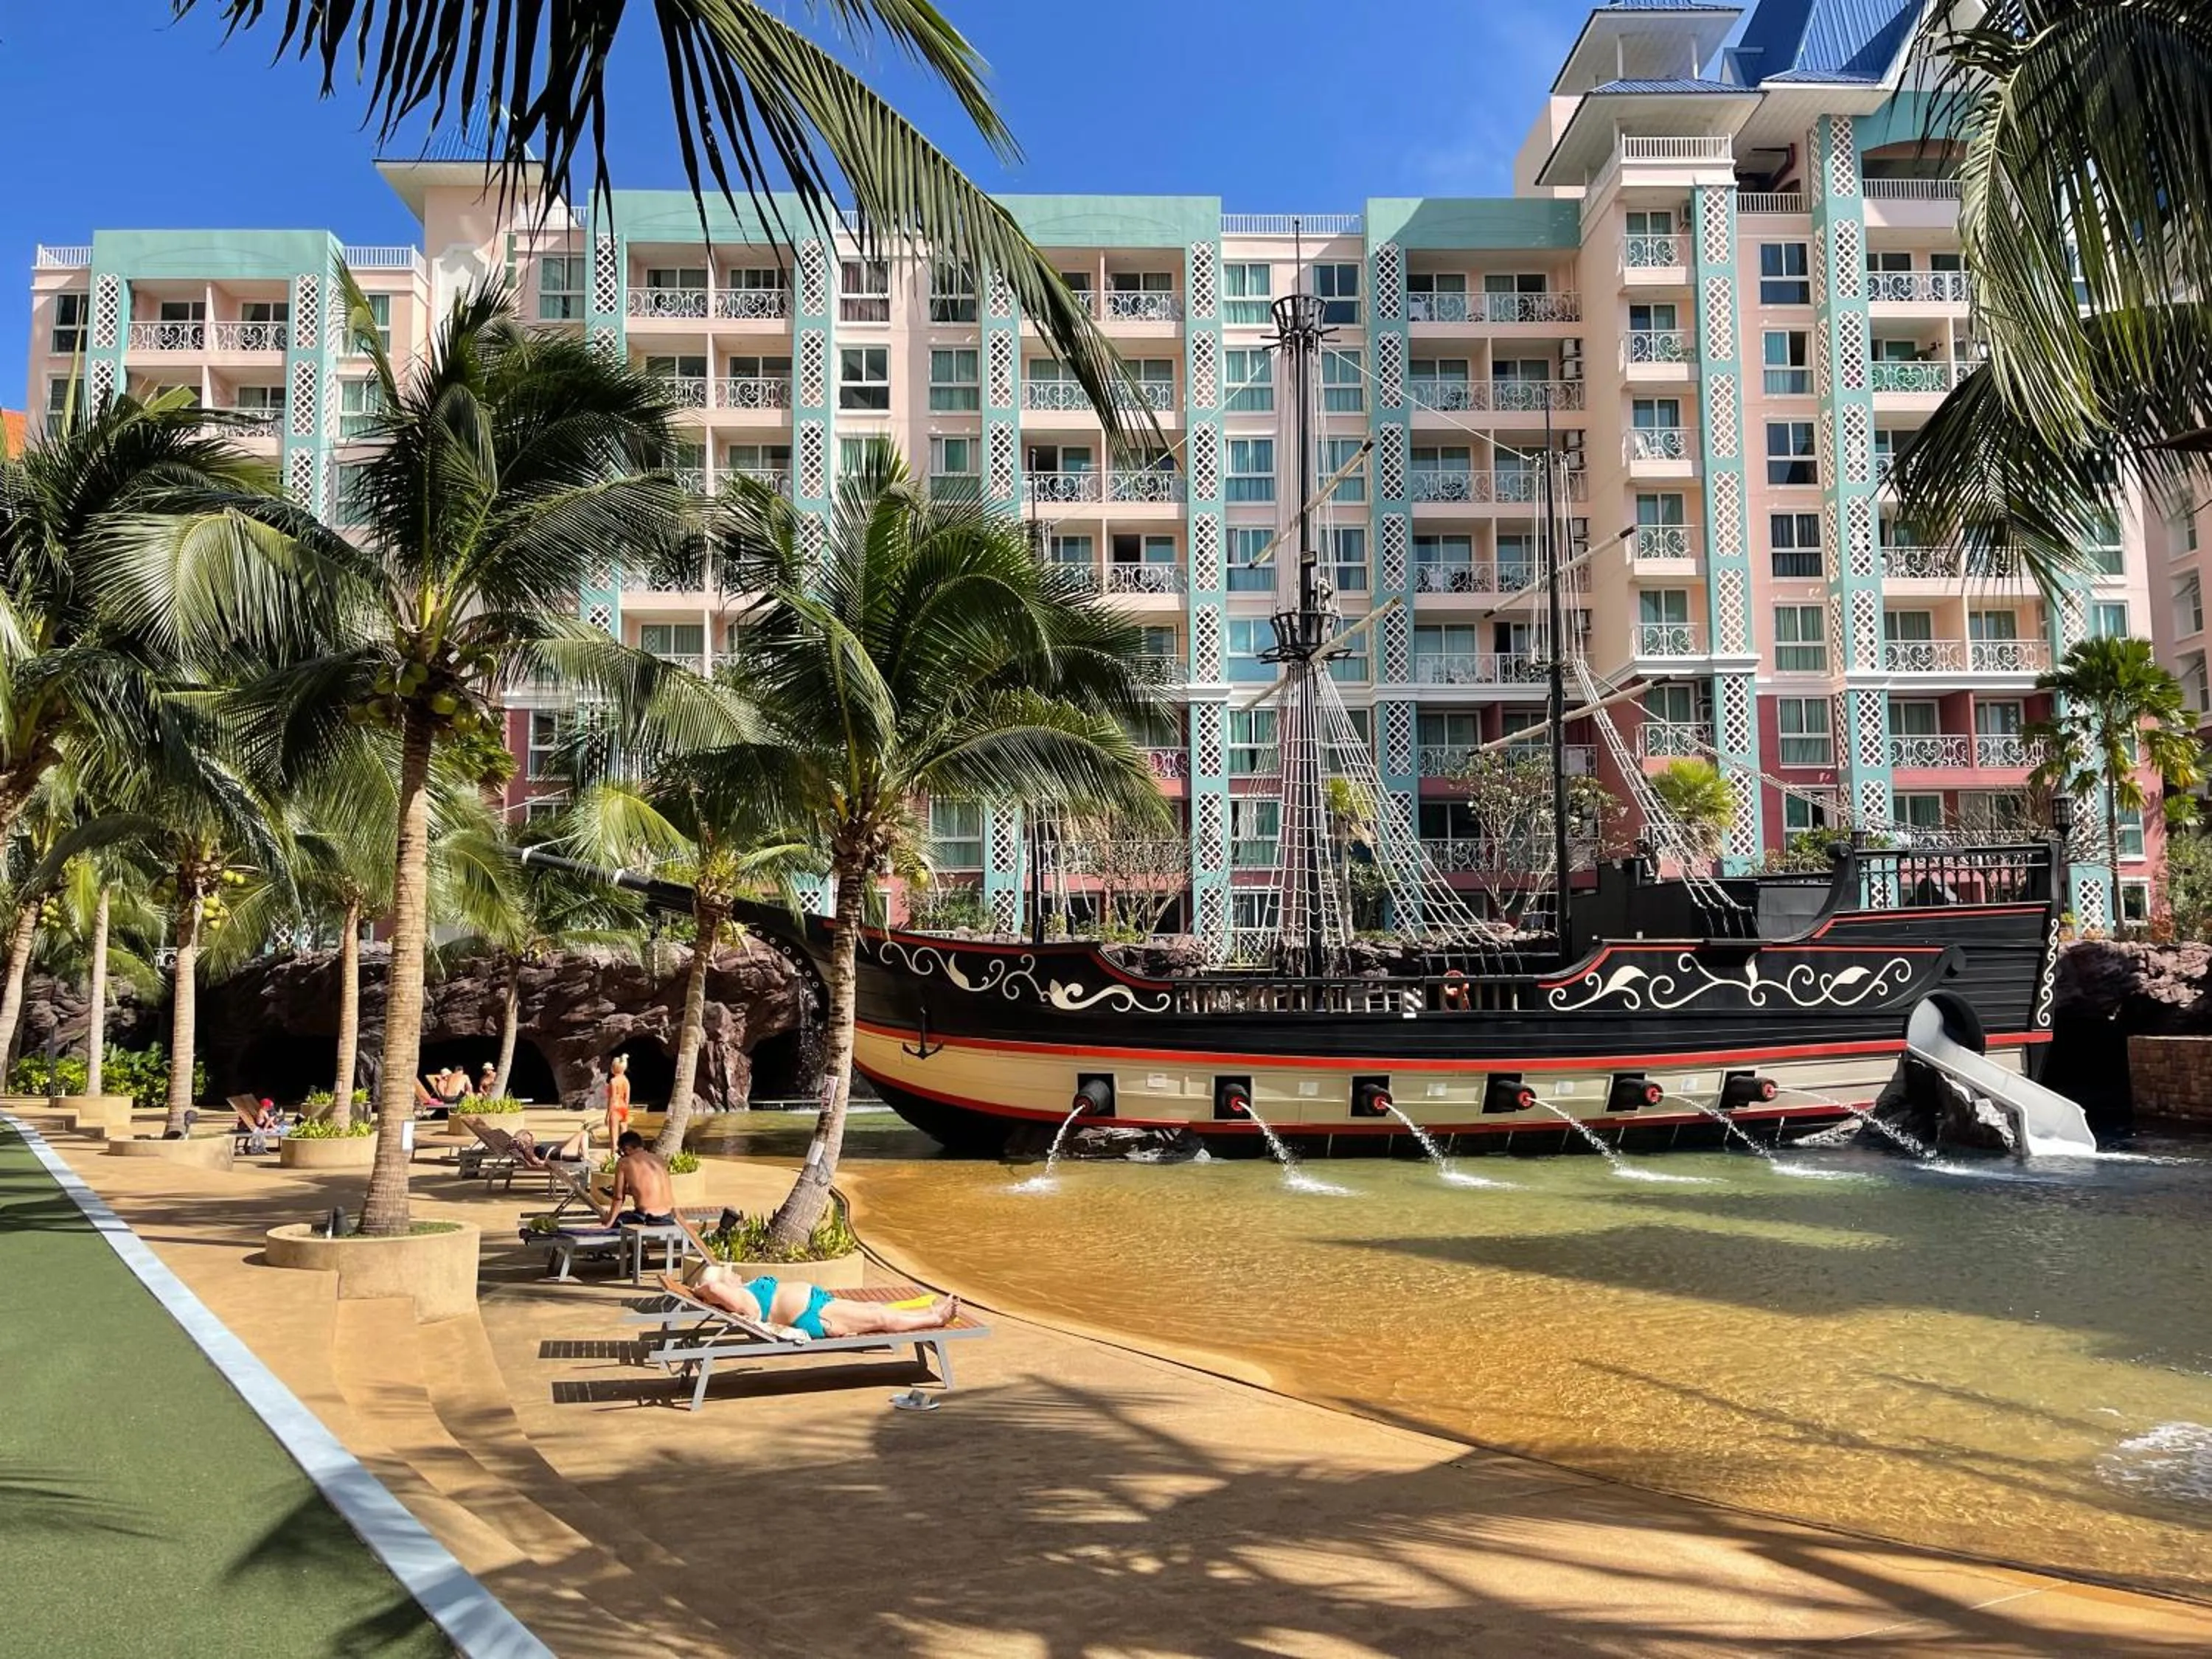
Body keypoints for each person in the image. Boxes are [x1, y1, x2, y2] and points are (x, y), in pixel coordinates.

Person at [678, 1256, 960, 1342]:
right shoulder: (740, 1298)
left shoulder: (745, 1290)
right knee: (880, 1318)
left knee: (876, 1309)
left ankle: (929, 1312)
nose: (735, 1274)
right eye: (730, 1274)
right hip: (813, 1315)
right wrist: (701, 1290)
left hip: (818, 1304)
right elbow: (714, 1291)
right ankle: (935, 1317)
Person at [601, 1130, 675, 1227]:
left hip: (648, 1218)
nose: (621, 1155)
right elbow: (649, 1189)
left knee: (614, 1220)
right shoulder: (658, 1159)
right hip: (669, 1216)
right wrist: (628, 1191)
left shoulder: (624, 1163)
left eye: (621, 1152)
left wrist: (609, 1224)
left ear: (627, 1149)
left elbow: (618, 1198)